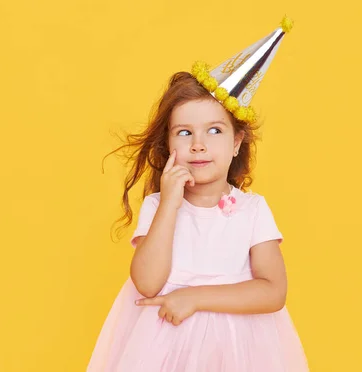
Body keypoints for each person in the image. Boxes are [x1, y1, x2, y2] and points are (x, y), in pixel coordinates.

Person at [87, 16, 309, 371]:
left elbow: (273, 291)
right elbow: (146, 283)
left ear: (237, 143)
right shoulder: (159, 205)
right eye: (185, 133)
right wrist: (170, 203)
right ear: (169, 143)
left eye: (215, 131)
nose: (200, 145)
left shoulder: (251, 210)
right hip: (163, 343)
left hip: (239, 347)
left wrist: (194, 297)